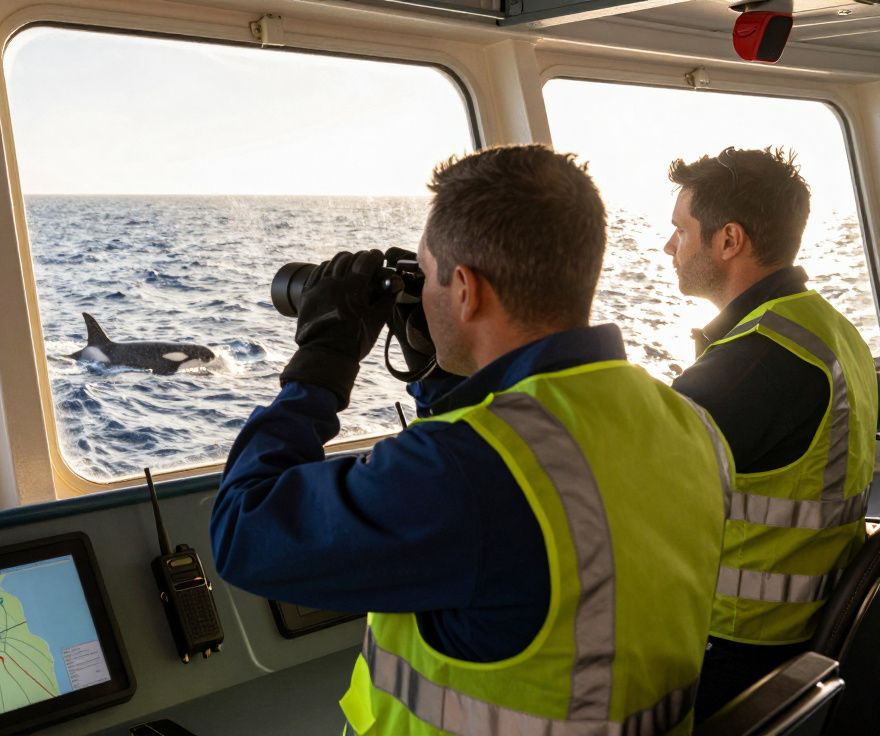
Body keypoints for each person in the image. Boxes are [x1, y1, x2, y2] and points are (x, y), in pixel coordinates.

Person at [210, 145, 730, 735]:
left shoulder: (463, 469)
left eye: (429, 277)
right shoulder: (689, 423)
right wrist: (441, 378)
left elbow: (243, 530)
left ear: (465, 289)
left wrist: (320, 362)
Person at [663, 147, 878, 720]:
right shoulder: (829, 329)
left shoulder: (756, 362)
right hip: (806, 636)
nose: (668, 248)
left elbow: (615, 479)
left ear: (728, 240)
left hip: (736, 649)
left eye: (680, 231)